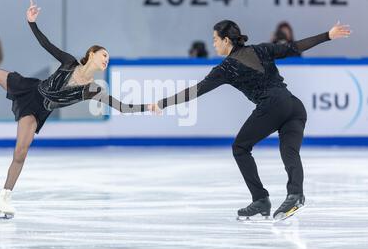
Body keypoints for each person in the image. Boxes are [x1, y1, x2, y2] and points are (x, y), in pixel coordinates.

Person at [0, 0, 148, 219]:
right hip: (29, 88)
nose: (107, 60)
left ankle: (4, 198)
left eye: (109, 59)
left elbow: (122, 107)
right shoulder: (69, 62)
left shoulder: (92, 90)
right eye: (104, 55)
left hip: (38, 110)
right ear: (91, 54)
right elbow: (47, 45)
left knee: (21, 152)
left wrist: (148, 106)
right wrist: (32, 22)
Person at [149, 20, 351, 220]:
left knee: (240, 147)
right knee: (289, 151)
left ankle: (261, 198)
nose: (214, 44)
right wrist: (327, 35)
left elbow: (196, 91)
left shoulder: (226, 68)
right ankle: (295, 194)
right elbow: (294, 47)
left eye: (215, 39)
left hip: (272, 105)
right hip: (294, 106)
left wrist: (162, 103)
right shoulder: (261, 49)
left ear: (226, 40)